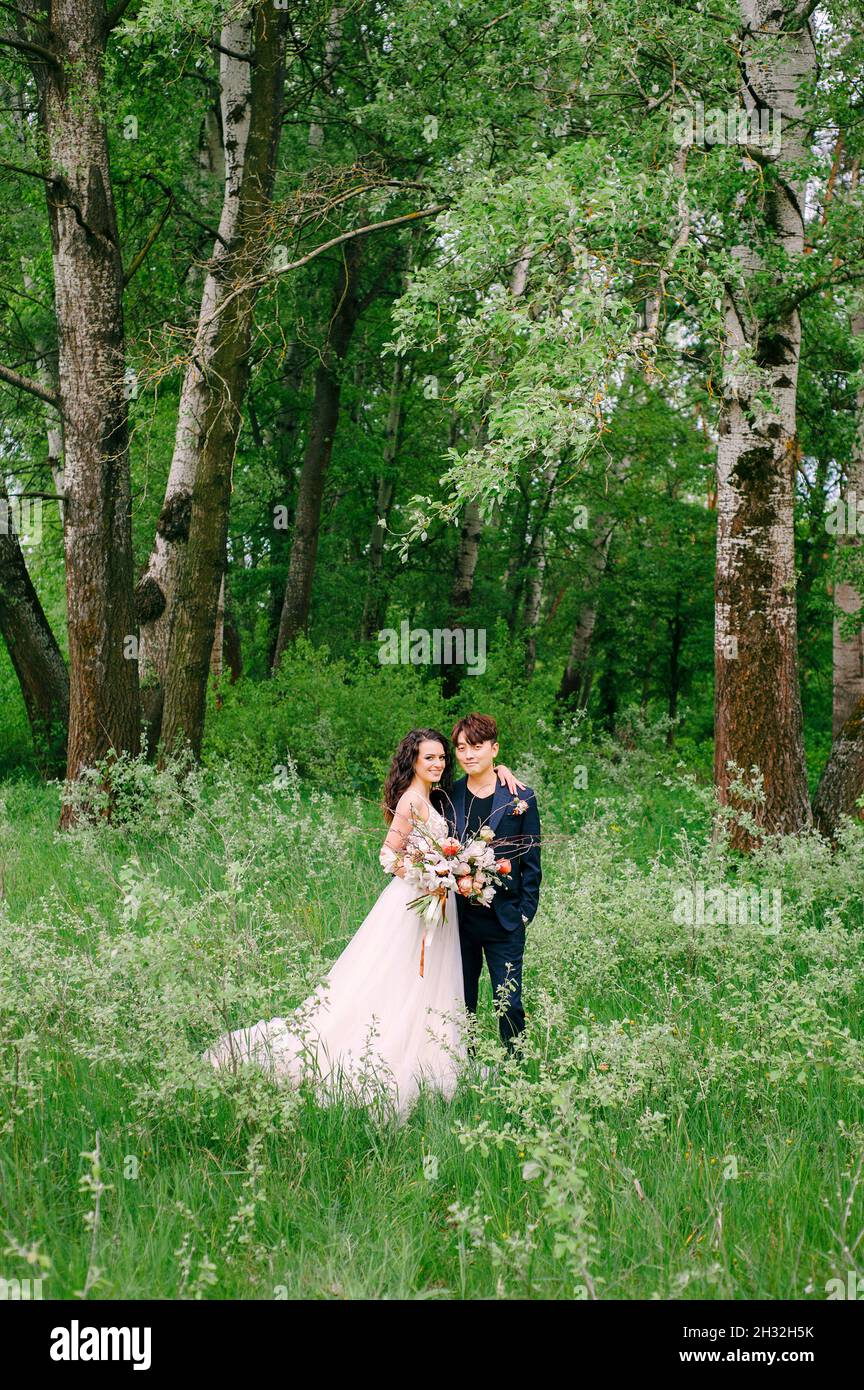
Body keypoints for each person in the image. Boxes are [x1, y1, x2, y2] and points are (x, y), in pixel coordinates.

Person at [202, 728, 523, 1123]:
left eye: (442, 756)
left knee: (428, 983)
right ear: (414, 761)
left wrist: (501, 769)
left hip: (440, 909)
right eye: (430, 758)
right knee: (398, 978)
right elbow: (388, 855)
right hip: (415, 901)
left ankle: (434, 1051)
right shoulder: (411, 799)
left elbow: (476, 786)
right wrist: (432, 876)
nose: (438, 763)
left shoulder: (437, 795)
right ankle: (389, 1049)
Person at [449, 713, 541, 1057]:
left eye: (476, 746)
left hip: (505, 919)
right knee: (462, 998)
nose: (468, 754)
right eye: (461, 747)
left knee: (509, 1000)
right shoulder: (450, 794)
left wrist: (524, 914)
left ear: (494, 749)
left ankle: (516, 1066)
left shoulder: (520, 798)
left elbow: (532, 863)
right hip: (459, 920)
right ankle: (464, 1063)